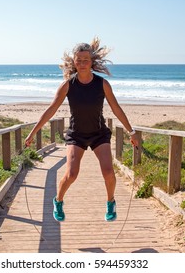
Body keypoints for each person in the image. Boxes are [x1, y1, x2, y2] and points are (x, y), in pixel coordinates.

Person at [24, 37, 140, 222]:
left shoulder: (102, 84)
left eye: (86, 60)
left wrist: (131, 132)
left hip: (98, 134)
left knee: (108, 172)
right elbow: (51, 109)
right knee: (71, 174)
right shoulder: (68, 85)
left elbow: (117, 109)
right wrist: (33, 132)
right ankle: (58, 200)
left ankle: (111, 202)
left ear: (92, 62)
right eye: (79, 60)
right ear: (74, 62)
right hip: (76, 135)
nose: (83, 63)